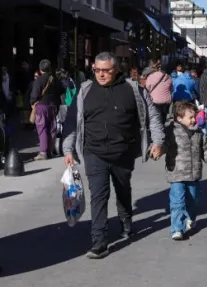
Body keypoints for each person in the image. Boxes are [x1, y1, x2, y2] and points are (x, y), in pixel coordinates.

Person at [62, 52, 165, 259]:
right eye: (97, 70)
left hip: (123, 152)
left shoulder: (133, 89)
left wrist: (158, 141)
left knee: (122, 189)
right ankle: (99, 242)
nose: (101, 74)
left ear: (116, 69)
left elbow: (152, 115)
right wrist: (68, 148)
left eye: (106, 70)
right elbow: (72, 121)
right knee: (98, 194)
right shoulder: (85, 91)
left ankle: (126, 219)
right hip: (94, 151)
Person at [164, 101, 207, 241]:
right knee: (177, 202)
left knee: (194, 200)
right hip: (177, 174)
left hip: (193, 174)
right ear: (179, 118)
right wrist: (156, 150)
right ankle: (177, 229)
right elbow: (162, 145)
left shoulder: (198, 133)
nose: (193, 120)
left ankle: (191, 218)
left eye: (194, 117)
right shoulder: (170, 132)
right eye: (190, 117)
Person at [30, 59, 62, 160]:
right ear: (49, 68)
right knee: (52, 128)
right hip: (53, 106)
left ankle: (43, 152)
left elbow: (34, 95)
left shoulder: (38, 80)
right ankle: (50, 151)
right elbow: (62, 90)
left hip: (41, 106)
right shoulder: (55, 79)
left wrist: (32, 103)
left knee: (42, 128)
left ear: (40, 69)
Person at [143, 60, 173, 125]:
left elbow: (147, 88)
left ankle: (159, 129)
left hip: (155, 101)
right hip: (166, 101)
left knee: (156, 117)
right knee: (163, 116)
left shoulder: (151, 76)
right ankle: (163, 127)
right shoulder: (168, 77)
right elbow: (171, 88)